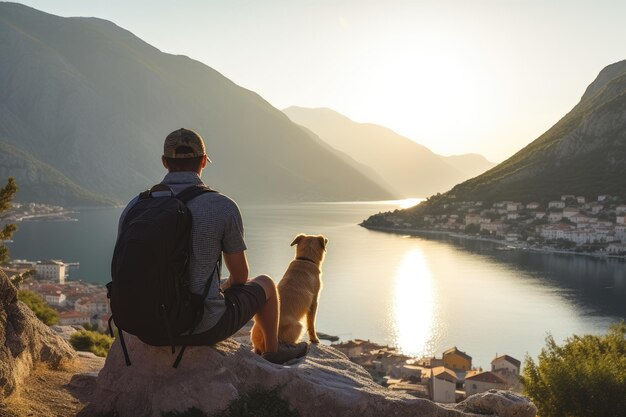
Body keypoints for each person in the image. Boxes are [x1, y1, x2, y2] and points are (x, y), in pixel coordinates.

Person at [117, 128, 309, 364]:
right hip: (201, 327)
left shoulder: (136, 206)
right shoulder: (222, 206)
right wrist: (222, 288)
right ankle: (273, 350)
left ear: (165, 162)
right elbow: (240, 276)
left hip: (145, 327)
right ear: (204, 161)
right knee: (267, 284)